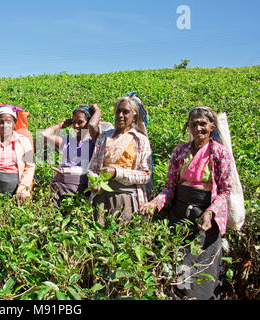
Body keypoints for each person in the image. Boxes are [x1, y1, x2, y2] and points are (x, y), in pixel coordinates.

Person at [140, 106, 232, 300]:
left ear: (212, 126)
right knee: (181, 266)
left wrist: (211, 212)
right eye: (194, 124)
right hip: (179, 216)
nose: (198, 128)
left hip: (206, 219)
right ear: (188, 126)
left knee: (204, 268)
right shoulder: (180, 151)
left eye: (203, 124)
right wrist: (154, 203)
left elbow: (224, 191)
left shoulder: (219, 153)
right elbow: (169, 188)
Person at [87, 96, 152, 224]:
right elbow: (92, 167)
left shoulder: (140, 140)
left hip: (127, 198)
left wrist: (116, 173)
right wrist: (93, 182)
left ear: (134, 116)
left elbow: (146, 175)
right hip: (102, 196)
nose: (121, 115)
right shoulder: (104, 137)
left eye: (125, 112)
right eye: (118, 111)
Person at [41, 104, 101, 207]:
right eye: (73, 122)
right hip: (59, 186)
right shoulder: (67, 141)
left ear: (89, 122)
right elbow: (44, 135)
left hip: (79, 188)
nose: (75, 126)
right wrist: (60, 125)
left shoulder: (95, 142)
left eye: (80, 122)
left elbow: (93, 126)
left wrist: (97, 110)